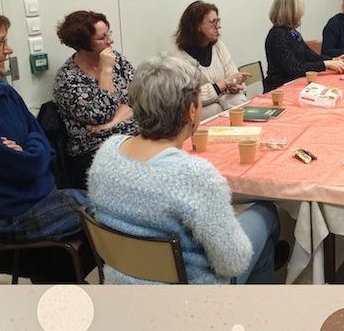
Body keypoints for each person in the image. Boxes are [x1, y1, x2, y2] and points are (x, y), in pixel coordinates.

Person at [87, 53, 284, 285]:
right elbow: (233, 264)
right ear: (191, 110)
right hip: (190, 295)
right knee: (266, 212)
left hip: (121, 283)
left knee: (257, 248)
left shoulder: (106, 152)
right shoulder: (195, 176)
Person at [0, 9, 91, 245]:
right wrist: (31, 151)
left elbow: (42, 141)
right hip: (16, 214)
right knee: (107, 212)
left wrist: (28, 149)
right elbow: (24, 167)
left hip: (44, 194)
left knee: (110, 203)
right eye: (0, 42)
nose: (8, 49)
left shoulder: (1, 88)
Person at [53, 11, 138, 189]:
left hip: (131, 136)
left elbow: (139, 99)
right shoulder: (67, 79)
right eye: (102, 38)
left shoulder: (118, 60)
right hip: (94, 149)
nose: (110, 41)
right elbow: (101, 115)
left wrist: (111, 123)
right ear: (83, 44)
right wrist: (106, 70)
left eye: (109, 34)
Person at [173, 0, 251, 120]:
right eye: (212, 22)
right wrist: (221, 86)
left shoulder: (218, 46)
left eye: (218, 21)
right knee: (215, 109)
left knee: (238, 99)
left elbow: (234, 78)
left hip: (223, 99)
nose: (218, 26)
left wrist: (234, 86)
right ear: (197, 26)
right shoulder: (179, 58)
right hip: (198, 110)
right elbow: (188, 99)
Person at [264, 0, 344, 92]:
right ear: (293, 9)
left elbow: (310, 56)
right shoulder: (277, 35)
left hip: (294, 85)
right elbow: (295, 68)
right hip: (279, 90)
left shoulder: (293, 32)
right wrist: (326, 64)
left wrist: (333, 60)